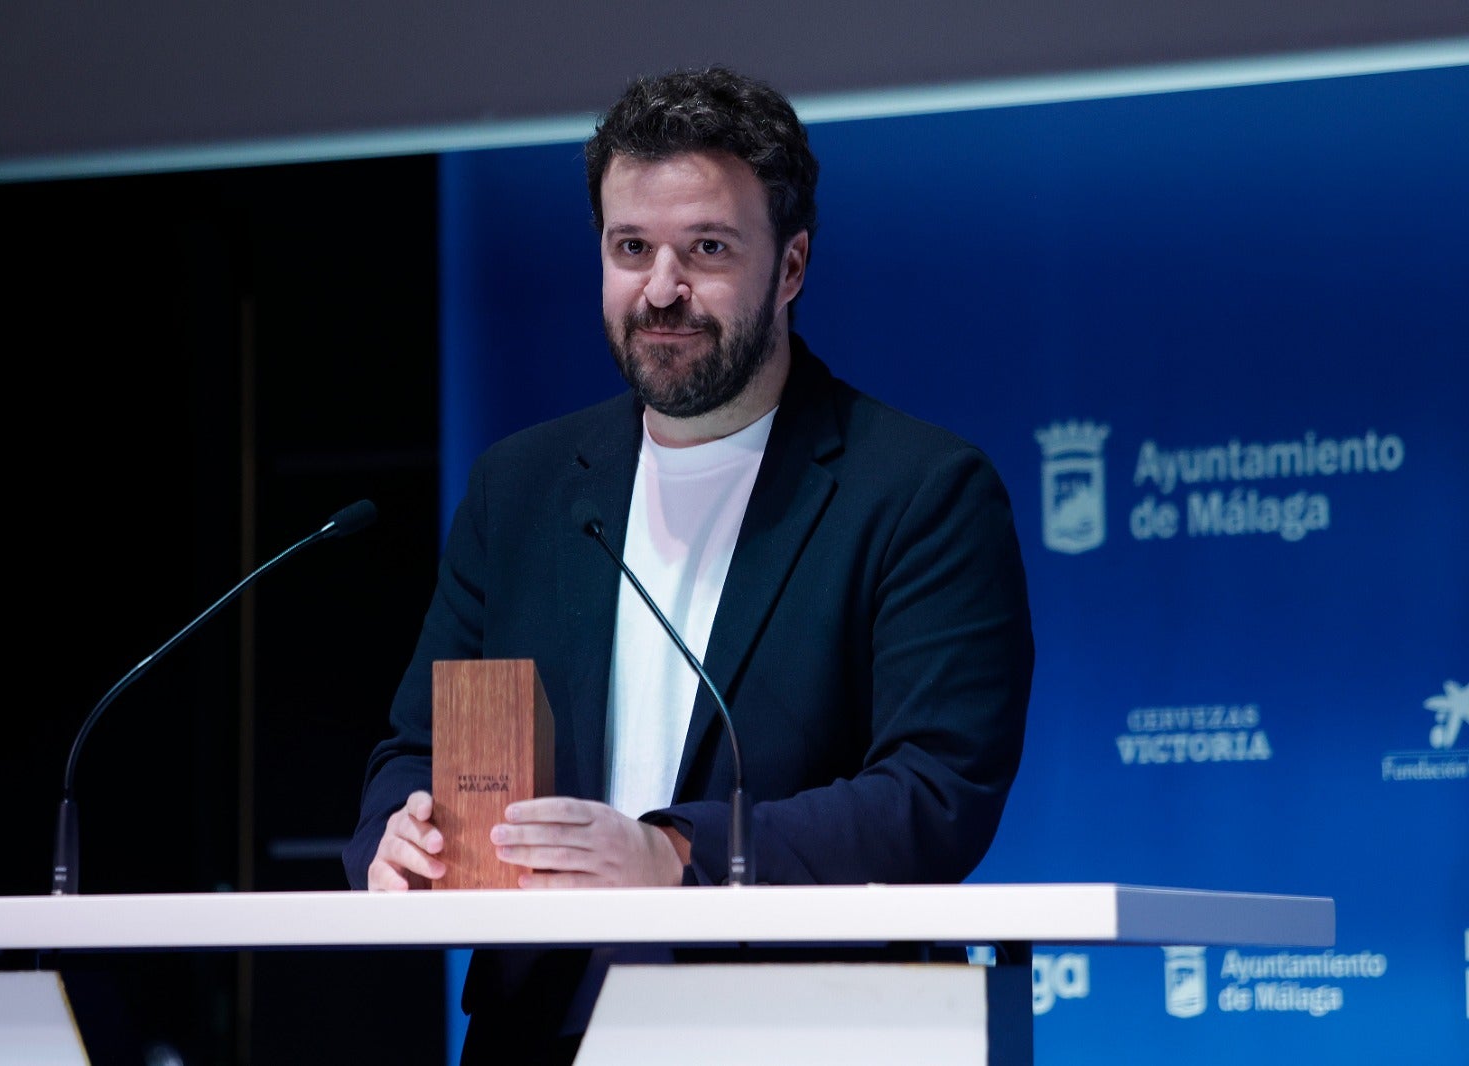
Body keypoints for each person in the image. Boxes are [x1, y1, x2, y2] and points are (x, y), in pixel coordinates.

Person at [343, 65, 1034, 1063]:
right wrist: (397, 839)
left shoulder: (919, 489)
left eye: (706, 248)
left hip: (806, 1029)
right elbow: (412, 751)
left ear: (790, 267)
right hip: (545, 1028)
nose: (661, 289)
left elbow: (936, 791)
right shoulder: (522, 487)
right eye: (631, 249)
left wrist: (673, 853)